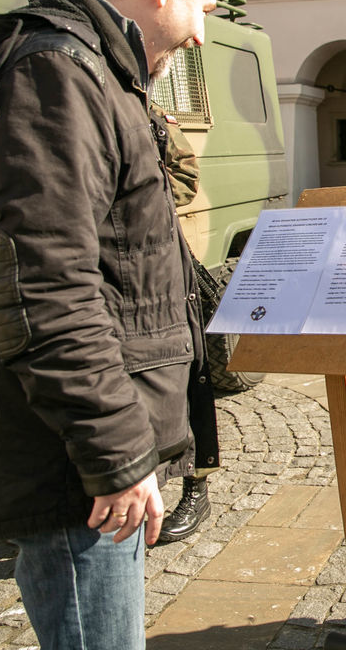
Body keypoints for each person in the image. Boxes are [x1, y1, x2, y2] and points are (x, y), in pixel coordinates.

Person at [0, 0, 221, 650]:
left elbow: (123, 266)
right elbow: (42, 287)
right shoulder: (55, 73)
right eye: (203, 9)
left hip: (87, 455)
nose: (200, 37)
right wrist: (119, 456)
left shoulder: (96, 73)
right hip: (75, 470)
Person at [150, 104, 216, 544]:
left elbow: (186, 175)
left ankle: (196, 485)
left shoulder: (149, 117)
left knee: (185, 372)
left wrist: (139, 205)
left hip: (159, 257)